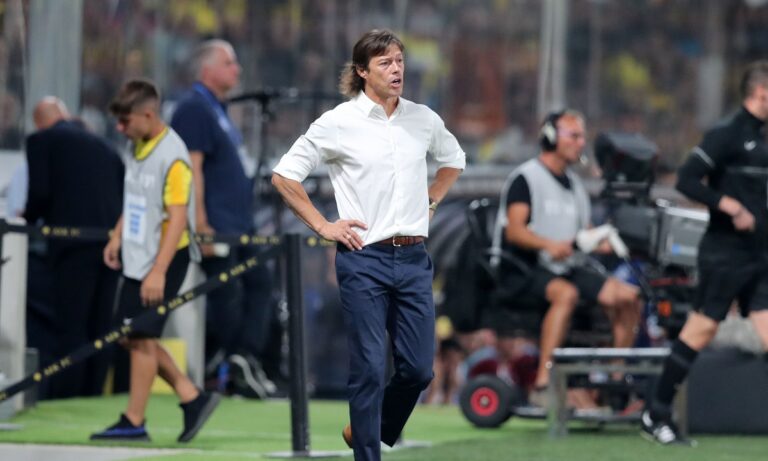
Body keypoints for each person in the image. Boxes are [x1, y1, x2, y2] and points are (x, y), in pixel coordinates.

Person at [272, 29, 465, 461]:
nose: (396, 69)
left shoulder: (422, 118)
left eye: (399, 60)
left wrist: (432, 199)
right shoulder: (338, 122)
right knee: (369, 366)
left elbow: (454, 159)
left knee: (419, 369)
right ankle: (366, 453)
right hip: (364, 258)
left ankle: (366, 427)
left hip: (414, 258)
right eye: (385, 63)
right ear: (361, 71)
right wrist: (323, 225)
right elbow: (284, 176)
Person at [641, 60, 768, 446]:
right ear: (760, 92)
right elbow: (686, 178)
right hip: (725, 254)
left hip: (759, 255)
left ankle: (655, 413)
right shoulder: (727, 134)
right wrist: (727, 205)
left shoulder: (762, 138)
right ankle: (655, 413)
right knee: (700, 330)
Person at [91, 79, 219, 443]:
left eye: (126, 121)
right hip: (139, 256)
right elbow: (136, 197)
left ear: (148, 115)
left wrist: (158, 271)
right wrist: (118, 236)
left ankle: (134, 421)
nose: (120, 128)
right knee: (130, 336)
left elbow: (177, 218)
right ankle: (191, 397)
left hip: (164, 258)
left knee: (140, 336)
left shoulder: (173, 156)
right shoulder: (137, 143)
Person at [492, 109, 642, 408]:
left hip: (566, 266)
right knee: (566, 294)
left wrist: (602, 242)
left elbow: (583, 232)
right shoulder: (526, 178)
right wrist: (548, 244)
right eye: (573, 136)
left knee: (628, 297)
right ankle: (543, 382)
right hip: (524, 267)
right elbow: (515, 231)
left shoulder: (576, 186)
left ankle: (614, 378)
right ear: (550, 137)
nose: (581, 143)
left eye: (582, 136)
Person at [170, 39, 275, 396]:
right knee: (226, 295)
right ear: (207, 70)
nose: (237, 69)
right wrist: (200, 222)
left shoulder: (218, 109)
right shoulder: (193, 108)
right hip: (217, 223)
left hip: (240, 220)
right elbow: (191, 167)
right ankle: (234, 361)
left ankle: (245, 357)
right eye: (229, 63)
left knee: (260, 283)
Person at [24, 97, 124, 399]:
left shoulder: (42, 140)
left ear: (39, 121)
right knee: (101, 326)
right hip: (111, 245)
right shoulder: (106, 146)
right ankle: (94, 394)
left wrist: (25, 222)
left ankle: (68, 394)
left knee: (72, 325)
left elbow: (40, 193)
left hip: (72, 246)